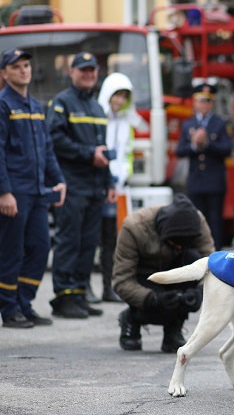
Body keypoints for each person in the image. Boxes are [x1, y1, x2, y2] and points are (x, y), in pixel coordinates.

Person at [0, 48, 66, 328]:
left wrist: (58, 178)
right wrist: (4, 191)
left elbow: (47, 149)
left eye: (26, 65)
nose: (24, 70)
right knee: (11, 251)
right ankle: (9, 308)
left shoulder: (37, 106)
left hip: (37, 190)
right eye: (16, 67)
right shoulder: (3, 105)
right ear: (4, 73)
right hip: (15, 192)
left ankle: (25, 302)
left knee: (40, 247)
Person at [47, 51, 115, 319]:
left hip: (96, 186)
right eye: (82, 70)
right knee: (69, 241)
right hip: (72, 184)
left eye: (92, 70)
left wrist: (109, 181)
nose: (88, 74)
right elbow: (55, 140)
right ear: (71, 72)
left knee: (88, 244)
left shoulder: (97, 108)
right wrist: (88, 154)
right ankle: (63, 296)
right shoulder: (62, 103)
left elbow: (104, 150)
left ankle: (78, 293)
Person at [113, 194, 213, 352]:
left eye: (183, 245)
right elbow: (122, 280)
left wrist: (199, 292)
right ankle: (132, 317)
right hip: (145, 278)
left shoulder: (198, 222)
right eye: (175, 244)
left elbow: (212, 267)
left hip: (176, 272)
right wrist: (152, 299)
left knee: (195, 260)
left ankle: (174, 328)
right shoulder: (134, 227)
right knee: (159, 306)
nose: (179, 248)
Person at [97, 72, 148, 303]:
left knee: (119, 239)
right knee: (101, 239)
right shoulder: (99, 117)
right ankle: (102, 287)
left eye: (123, 96)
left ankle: (113, 287)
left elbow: (127, 150)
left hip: (121, 186)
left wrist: (123, 176)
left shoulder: (128, 119)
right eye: (116, 95)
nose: (119, 101)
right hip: (102, 185)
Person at [176, 82, 234, 250]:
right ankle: (197, 254)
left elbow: (227, 149)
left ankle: (215, 254)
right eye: (201, 100)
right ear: (194, 102)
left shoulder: (220, 123)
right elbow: (180, 150)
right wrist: (194, 145)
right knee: (196, 219)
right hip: (196, 180)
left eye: (208, 101)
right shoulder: (188, 124)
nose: (204, 104)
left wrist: (207, 143)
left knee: (215, 221)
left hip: (214, 181)